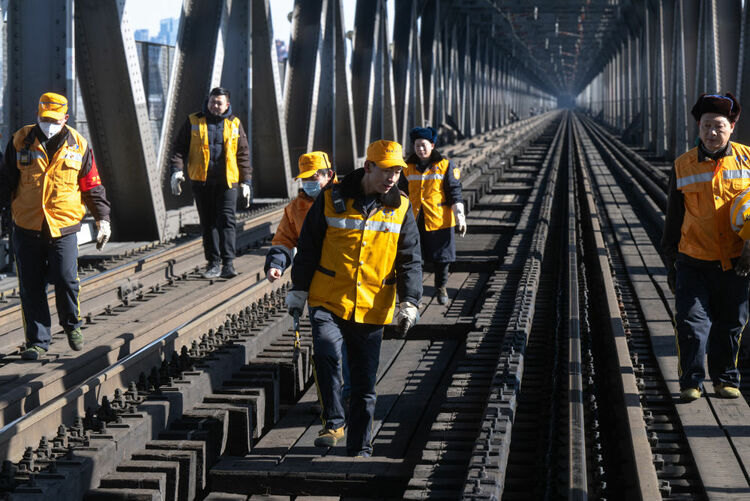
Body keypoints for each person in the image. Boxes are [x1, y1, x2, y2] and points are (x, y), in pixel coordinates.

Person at [285, 140, 423, 457]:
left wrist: (410, 301)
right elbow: (308, 247)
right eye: (387, 170)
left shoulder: (401, 207)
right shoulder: (331, 200)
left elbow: (410, 259)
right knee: (327, 355)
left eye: (398, 171)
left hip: (372, 306)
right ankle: (333, 423)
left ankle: (359, 446)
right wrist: (298, 290)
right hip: (328, 299)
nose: (393, 177)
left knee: (363, 385)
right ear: (369, 167)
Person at [0, 92, 111, 360]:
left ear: (65, 117)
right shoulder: (20, 140)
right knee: (31, 286)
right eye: (43, 118)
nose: (47, 123)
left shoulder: (79, 144)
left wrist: (103, 219)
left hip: (64, 226)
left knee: (65, 279)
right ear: (38, 115)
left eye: (53, 119)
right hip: (27, 225)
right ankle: (37, 342)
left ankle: (72, 324)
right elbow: (6, 181)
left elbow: (92, 186)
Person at [662, 92, 750, 401]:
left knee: (730, 325)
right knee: (690, 323)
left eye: (719, 127)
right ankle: (692, 382)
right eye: (706, 126)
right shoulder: (682, 165)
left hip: (737, 261)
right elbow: (673, 218)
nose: (712, 133)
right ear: (699, 128)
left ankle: (725, 379)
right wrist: (671, 262)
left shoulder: (748, 159)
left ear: (731, 128)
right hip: (693, 259)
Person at [169, 87, 252, 279]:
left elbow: (243, 154)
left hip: (227, 182)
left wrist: (246, 181)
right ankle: (213, 263)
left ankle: (228, 263)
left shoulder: (234, 124)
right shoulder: (193, 120)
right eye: (212, 102)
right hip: (202, 182)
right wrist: (177, 170)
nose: (214, 106)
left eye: (219, 103)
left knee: (227, 221)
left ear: (227, 105)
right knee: (208, 223)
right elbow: (179, 148)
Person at [401, 126, 466, 305]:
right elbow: (400, 193)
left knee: (442, 258)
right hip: (414, 220)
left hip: (439, 219)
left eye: (423, 145)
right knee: (415, 258)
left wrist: (460, 216)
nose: (420, 149)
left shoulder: (444, 166)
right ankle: (417, 293)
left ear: (432, 145)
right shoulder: (407, 168)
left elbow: (454, 191)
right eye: (416, 146)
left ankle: (441, 287)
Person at [264, 151, 334, 282]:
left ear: (329, 175)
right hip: (313, 277)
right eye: (304, 179)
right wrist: (276, 265)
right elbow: (283, 240)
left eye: (313, 178)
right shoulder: (295, 208)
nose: (308, 183)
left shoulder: (347, 200)